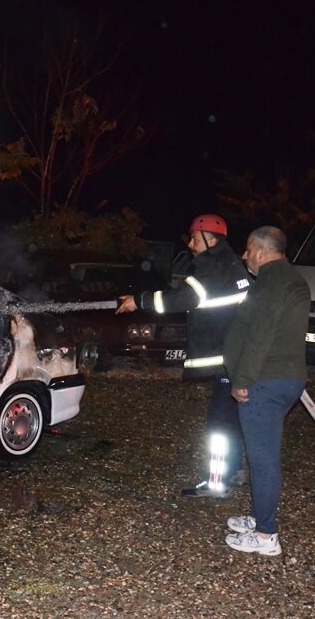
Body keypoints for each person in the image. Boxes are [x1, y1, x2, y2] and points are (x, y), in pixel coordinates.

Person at [117, 214, 251, 499]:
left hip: (226, 357)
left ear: (211, 240)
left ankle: (217, 482)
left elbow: (181, 300)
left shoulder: (213, 267)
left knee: (219, 426)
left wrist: (138, 300)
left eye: (194, 238)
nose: (190, 244)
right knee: (231, 419)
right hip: (235, 356)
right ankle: (236, 471)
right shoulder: (232, 265)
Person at [222, 225, 310, 557]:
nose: (244, 256)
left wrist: (242, 379)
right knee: (263, 454)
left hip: (265, 380)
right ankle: (261, 517)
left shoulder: (273, 282)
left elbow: (261, 335)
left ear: (261, 250)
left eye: (247, 249)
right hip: (281, 379)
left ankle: (265, 536)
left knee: (262, 459)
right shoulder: (289, 279)